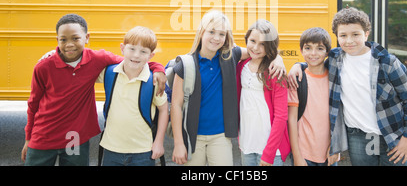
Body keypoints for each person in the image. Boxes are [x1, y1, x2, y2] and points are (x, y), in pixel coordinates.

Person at [22, 14, 165, 166]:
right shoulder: (44, 67)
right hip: (43, 135)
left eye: (75, 38)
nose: (69, 44)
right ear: (57, 40)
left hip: (74, 137)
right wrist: (28, 138)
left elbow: (132, 61)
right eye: (63, 40)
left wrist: (158, 68)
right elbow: (33, 104)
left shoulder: (97, 59)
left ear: (87, 38)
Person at [288, 7, 407, 166]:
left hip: (391, 134)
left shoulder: (387, 62)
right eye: (343, 35)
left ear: (366, 34)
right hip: (357, 136)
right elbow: (314, 62)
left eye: (355, 34)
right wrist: (298, 65)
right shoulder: (335, 59)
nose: (349, 41)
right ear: (337, 37)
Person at [171, 10, 286, 166]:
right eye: (211, 32)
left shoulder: (230, 56)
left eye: (222, 34)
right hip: (193, 137)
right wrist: (178, 144)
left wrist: (278, 58)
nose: (216, 38)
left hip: (221, 137)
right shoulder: (186, 65)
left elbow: (261, 52)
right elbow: (176, 106)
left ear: (227, 37)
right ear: (201, 32)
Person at [97, 26, 169, 166]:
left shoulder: (154, 81)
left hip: (143, 150)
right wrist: (56, 54)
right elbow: (83, 68)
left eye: (143, 51)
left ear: (151, 56)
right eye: (132, 49)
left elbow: (164, 109)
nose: (136, 55)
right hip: (111, 148)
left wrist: (159, 142)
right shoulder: (109, 73)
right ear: (122, 48)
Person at [236, 20, 290, 166]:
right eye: (252, 41)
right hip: (247, 144)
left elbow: (281, 116)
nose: (256, 47)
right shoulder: (241, 66)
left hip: (271, 149)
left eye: (263, 44)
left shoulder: (275, 72)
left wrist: (269, 153)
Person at [287, 27, 339, 166]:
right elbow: (291, 119)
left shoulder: (334, 79)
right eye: (308, 48)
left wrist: (336, 148)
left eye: (320, 48)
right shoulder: (297, 79)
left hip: (330, 153)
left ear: (327, 51)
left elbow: (340, 115)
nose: (313, 53)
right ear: (301, 50)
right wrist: (297, 155)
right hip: (304, 154)